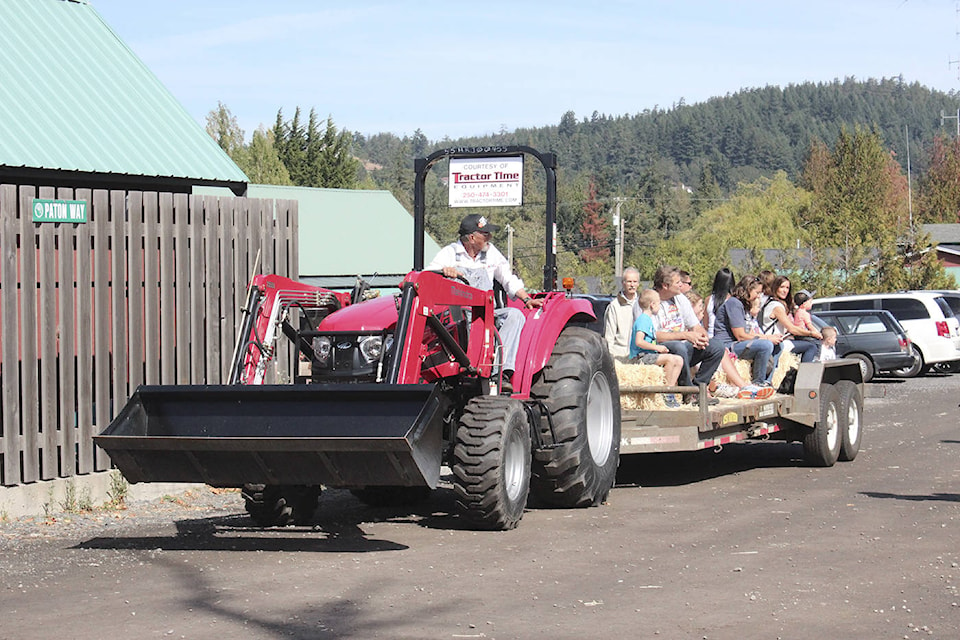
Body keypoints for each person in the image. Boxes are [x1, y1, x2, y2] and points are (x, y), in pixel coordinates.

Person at [426, 214, 543, 393]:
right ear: (472, 238)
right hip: (460, 316)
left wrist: (526, 298)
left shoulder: (491, 253)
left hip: (488, 312)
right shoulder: (449, 254)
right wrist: (443, 271)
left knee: (514, 316)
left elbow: (507, 278)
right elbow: (428, 276)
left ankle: (499, 372)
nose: (489, 237)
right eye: (485, 234)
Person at [646, 265, 725, 405]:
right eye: (678, 283)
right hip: (660, 351)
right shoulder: (649, 300)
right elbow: (653, 335)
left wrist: (702, 337)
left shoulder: (680, 299)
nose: (681, 285)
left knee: (716, 346)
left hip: (683, 347)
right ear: (665, 285)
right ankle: (688, 393)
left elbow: (695, 325)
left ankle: (699, 387)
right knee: (678, 347)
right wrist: (685, 336)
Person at [714, 275, 782, 397]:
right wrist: (767, 338)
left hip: (738, 343)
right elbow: (740, 335)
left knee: (778, 345)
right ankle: (757, 383)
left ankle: (767, 381)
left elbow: (749, 333)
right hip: (728, 345)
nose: (759, 296)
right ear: (748, 289)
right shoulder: (734, 304)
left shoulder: (742, 305)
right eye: (757, 292)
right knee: (765, 345)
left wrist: (771, 337)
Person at [630, 289, 684, 408]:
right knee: (669, 359)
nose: (660, 306)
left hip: (649, 355)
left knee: (679, 360)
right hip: (641, 357)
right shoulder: (643, 320)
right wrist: (657, 347)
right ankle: (665, 392)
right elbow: (639, 341)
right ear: (652, 304)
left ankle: (670, 390)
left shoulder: (648, 320)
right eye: (659, 303)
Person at [758, 276, 821, 362]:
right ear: (775, 287)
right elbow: (792, 328)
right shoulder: (776, 306)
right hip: (774, 342)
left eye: (787, 288)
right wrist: (811, 333)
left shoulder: (769, 302)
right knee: (811, 347)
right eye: (782, 287)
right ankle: (805, 374)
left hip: (776, 341)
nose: (785, 290)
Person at [603, 267, 641, 360]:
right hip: (619, 355)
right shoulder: (614, 306)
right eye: (629, 281)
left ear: (638, 284)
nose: (632, 285)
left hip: (638, 355)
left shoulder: (642, 303)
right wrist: (610, 357)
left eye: (635, 282)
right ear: (623, 283)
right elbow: (609, 335)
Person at [704, 268, 736, 338]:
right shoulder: (733, 301)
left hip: (710, 338)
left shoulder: (708, 299)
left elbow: (706, 324)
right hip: (726, 339)